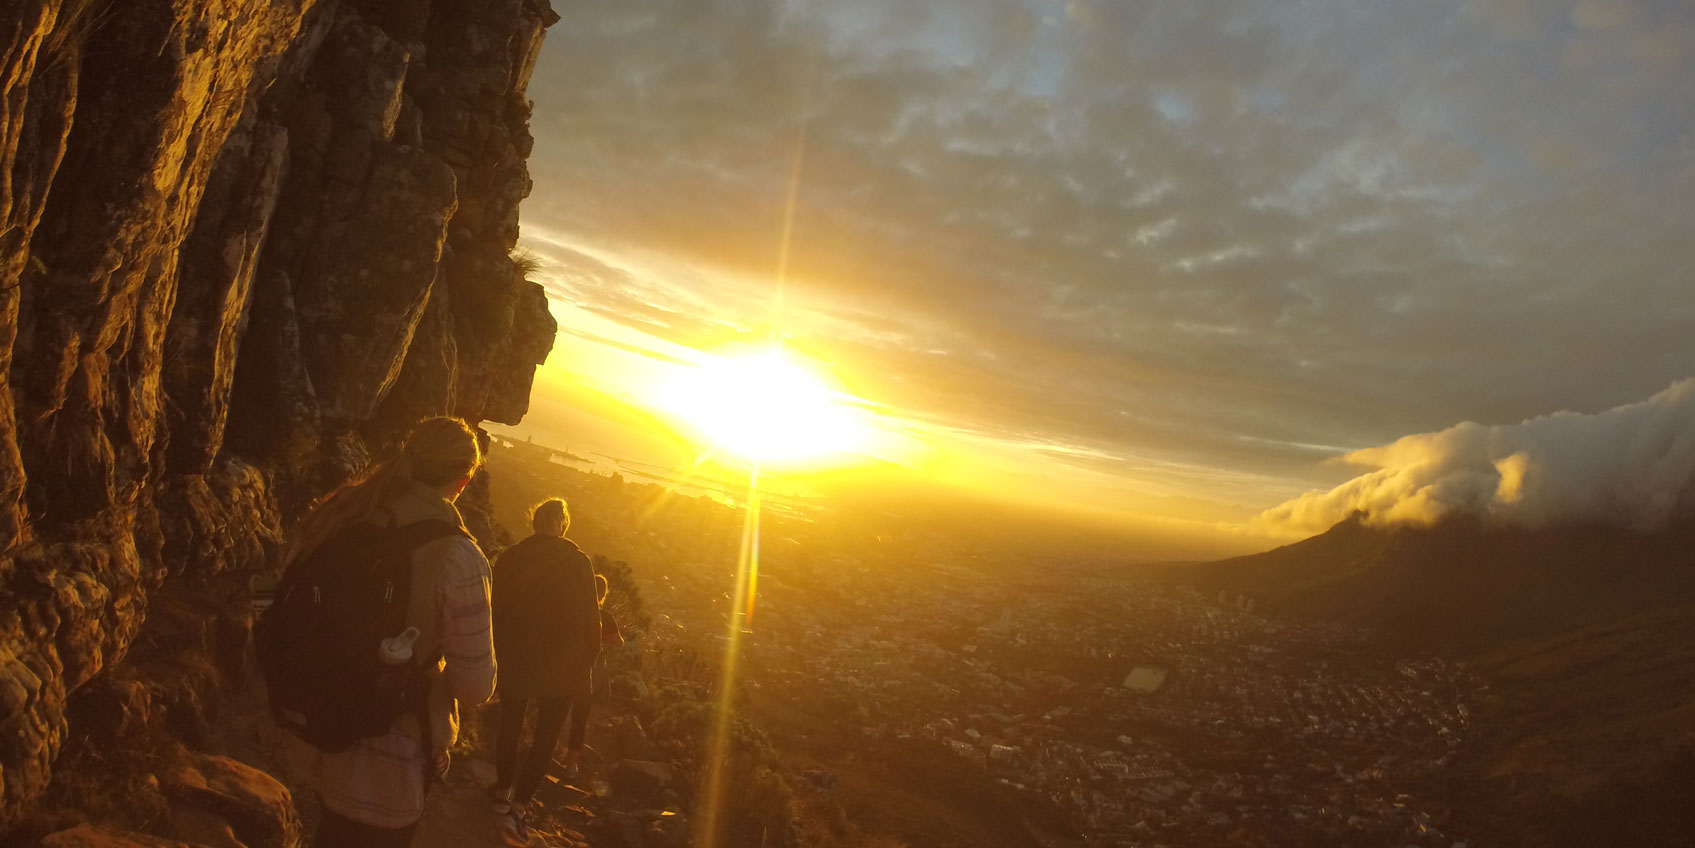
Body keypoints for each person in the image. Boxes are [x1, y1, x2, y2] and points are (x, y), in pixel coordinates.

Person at [281, 417, 498, 848]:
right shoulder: (458, 556)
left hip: (312, 721)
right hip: (388, 752)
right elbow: (475, 687)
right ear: (464, 480)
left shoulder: (343, 512)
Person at [490, 498, 600, 845]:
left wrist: (494, 654)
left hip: (517, 656)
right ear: (562, 524)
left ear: (534, 522)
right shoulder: (579, 562)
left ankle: (503, 792)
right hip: (564, 664)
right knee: (546, 738)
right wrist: (587, 664)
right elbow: (592, 621)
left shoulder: (511, 557)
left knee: (510, 726)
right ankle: (519, 808)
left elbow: (496, 610)